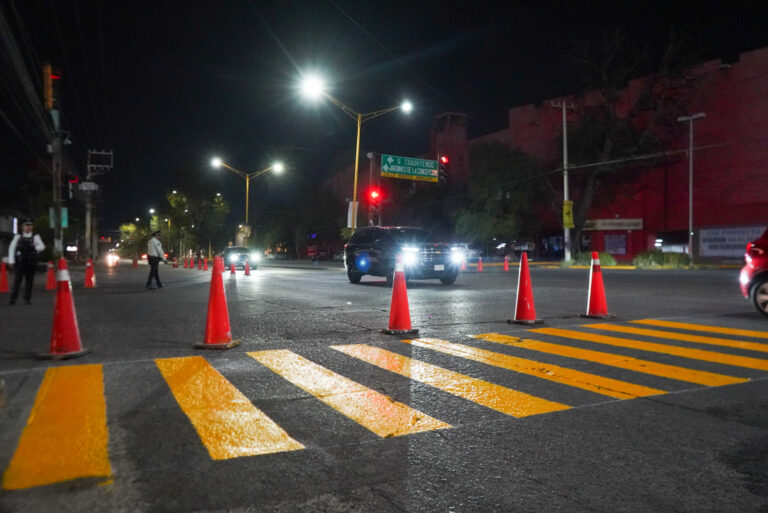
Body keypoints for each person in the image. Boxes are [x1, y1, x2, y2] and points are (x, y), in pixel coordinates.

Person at [8, 219, 45, 305]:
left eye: (30, 225)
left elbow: (42, 246)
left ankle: (27, 299)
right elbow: (12, 248)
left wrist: (34, 248)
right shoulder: (18, 236)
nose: (29, 227)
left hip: (31, 262)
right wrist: (11, 261)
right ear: (22, 227)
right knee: (17, 281)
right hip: (21, 262)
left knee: (30, 281)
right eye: (26, 225)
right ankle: (13, 298)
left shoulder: (35, 236)